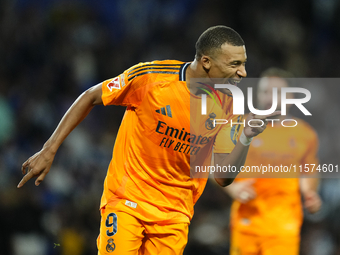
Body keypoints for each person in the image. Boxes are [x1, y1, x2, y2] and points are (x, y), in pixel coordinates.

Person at [17, 26, 275, 255]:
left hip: (175, 214)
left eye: (244, 64)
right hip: (128, 200)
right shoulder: (153, 79)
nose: (243, 73)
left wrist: (245, 137)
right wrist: (49, 149)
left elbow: (222, 177)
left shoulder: (229, 105)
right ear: (206, 62)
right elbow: (91, 96)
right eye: (235, 64)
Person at [224, 68, 322, 255]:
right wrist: (232, 188)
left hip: (284, 227)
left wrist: (310, 193)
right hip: (246, 223)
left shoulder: (304, 134)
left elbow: (309, 170)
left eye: (276, 92)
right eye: (264, 91)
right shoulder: (239, 127)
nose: (269, 97)